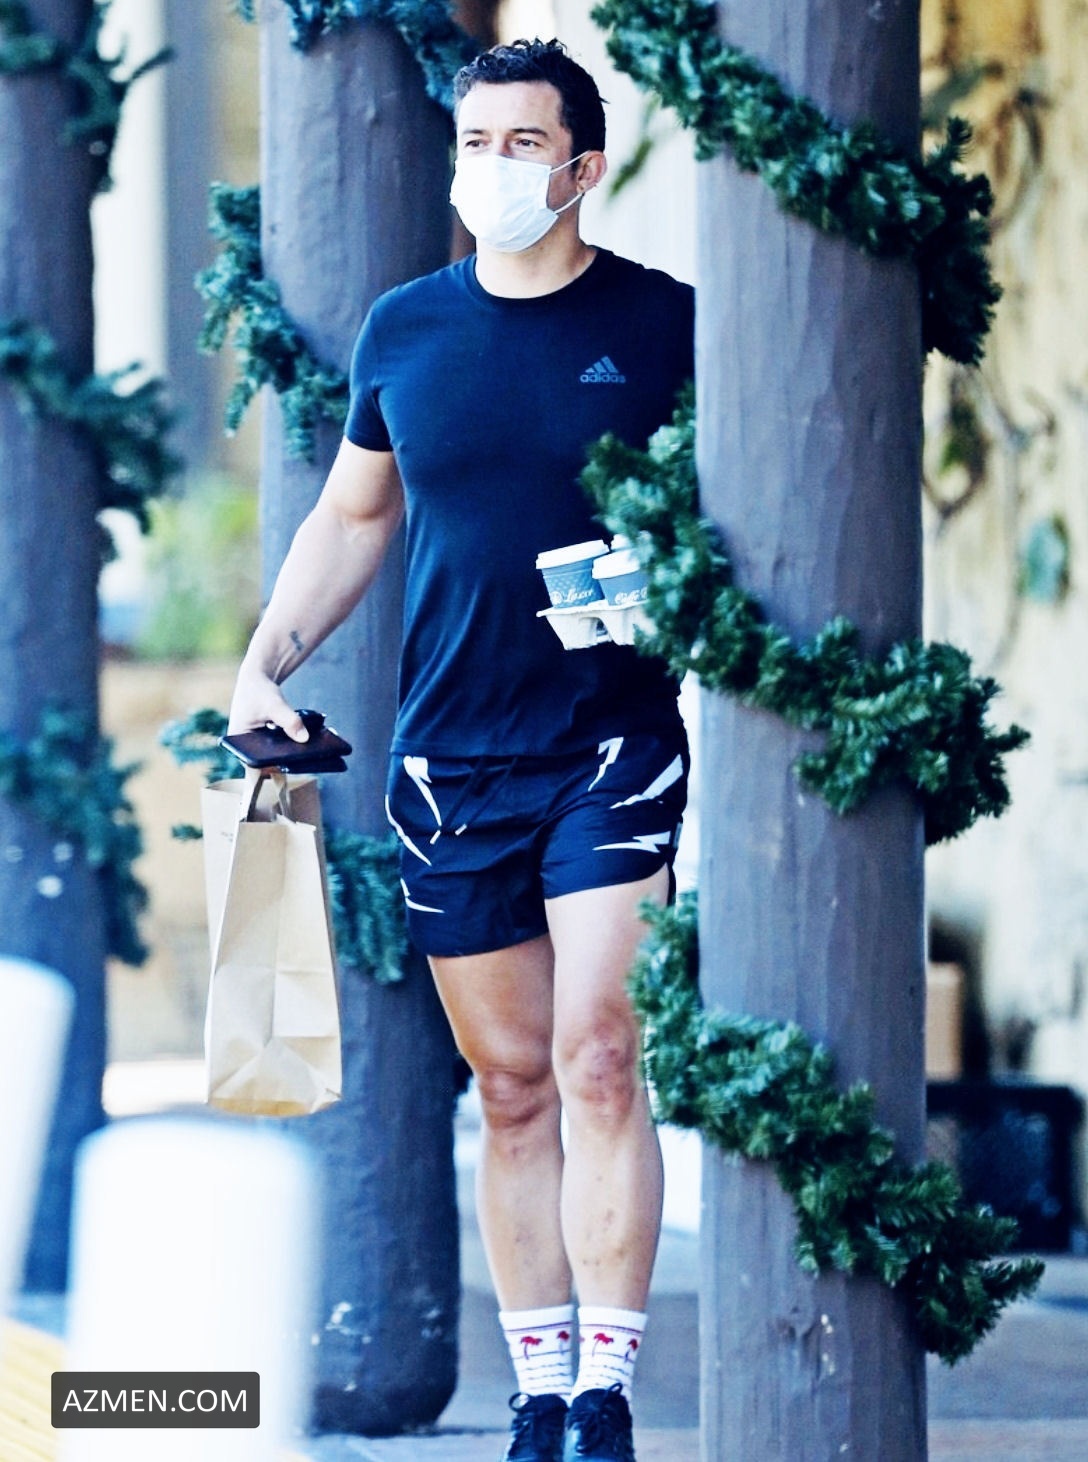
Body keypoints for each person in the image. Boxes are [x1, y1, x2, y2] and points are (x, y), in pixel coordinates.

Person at [228, 38, 694, 1462]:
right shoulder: (408, 330)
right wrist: (264, 661)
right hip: (450, 760)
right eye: (474, 140)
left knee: (600, 1054)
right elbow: (355, 515)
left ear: (581, 168)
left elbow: (728, 521)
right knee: (511, 1087)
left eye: (521, 142)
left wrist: (663, 582)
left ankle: (606, 1395)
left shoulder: (665, 324)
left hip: (610, 743)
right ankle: (539, 1392)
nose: (490, 165)